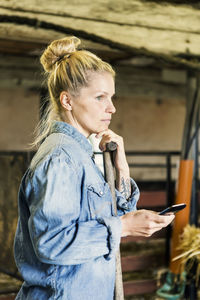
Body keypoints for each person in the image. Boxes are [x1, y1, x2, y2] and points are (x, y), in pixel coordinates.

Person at [14, 36, 174, 300]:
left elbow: (111, 216)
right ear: (67, 101)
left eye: (111, 97)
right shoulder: (61, 158)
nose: (112, 108)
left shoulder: (83, 153)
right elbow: (52, 243)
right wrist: (123, 227)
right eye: (100, 97)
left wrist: (121, 168)